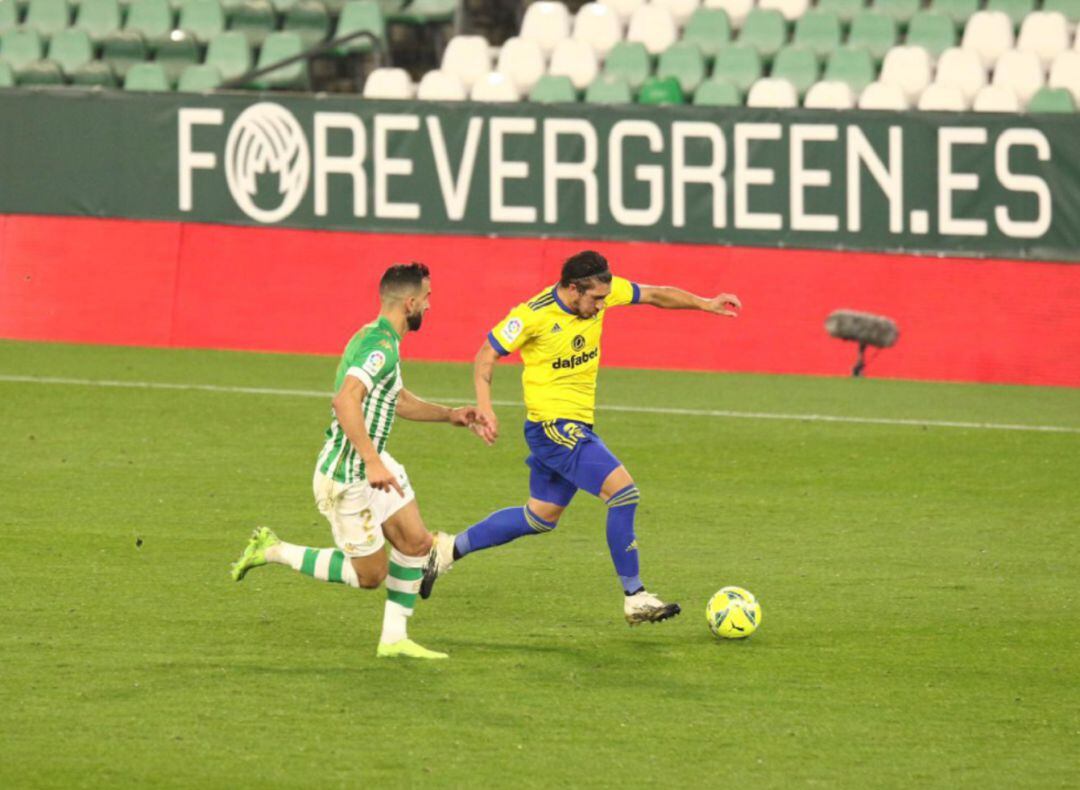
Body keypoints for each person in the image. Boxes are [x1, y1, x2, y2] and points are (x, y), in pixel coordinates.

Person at [421, 250, 741, 624]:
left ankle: (446, 549)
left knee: (539, 517)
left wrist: (704, 303)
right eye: (596, 299)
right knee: (623, 493)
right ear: (573, 289)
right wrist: (485, 407)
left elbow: (654, 294)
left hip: (572, 428)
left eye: (606, 297)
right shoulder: (532, 315)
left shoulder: (601, 292)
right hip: (554, 428)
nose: (602, 305)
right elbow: (485, 355)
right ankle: (635, 595)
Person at [230, 262, 488, 659]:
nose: (430, 306)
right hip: (348, 476)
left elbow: (396, 399)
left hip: (372, 465)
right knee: (371, 576)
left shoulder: (379, 339)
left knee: (417, 542)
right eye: (428, 298)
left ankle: (394, 639)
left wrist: (449, 413)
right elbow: (345, 399)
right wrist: (371, 461)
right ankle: (274, 549)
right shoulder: (379, 347)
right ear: (410, 301)